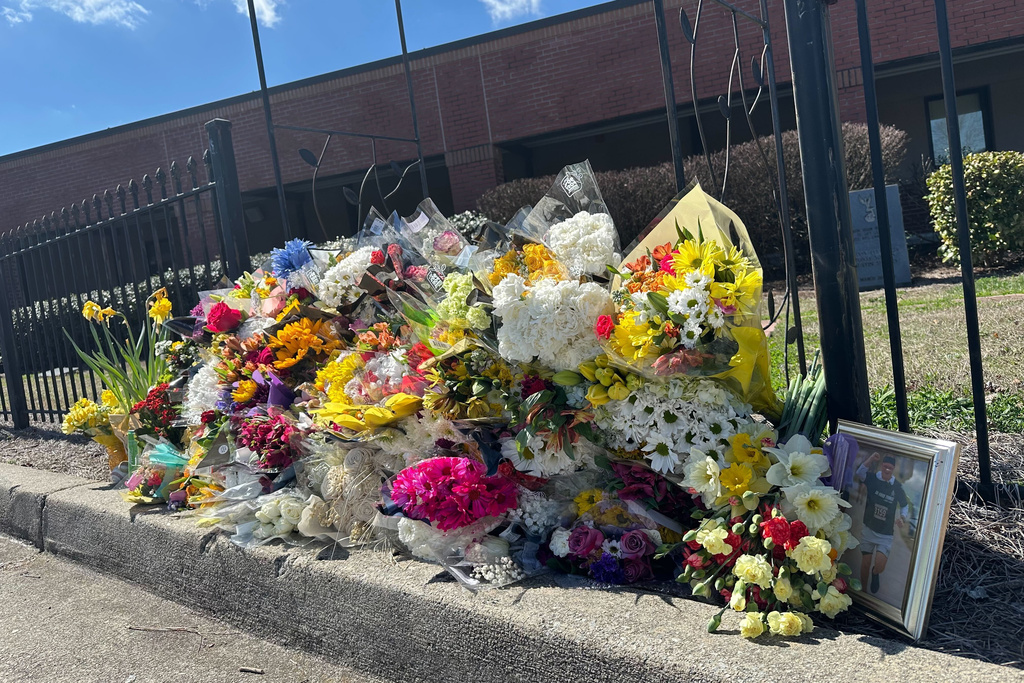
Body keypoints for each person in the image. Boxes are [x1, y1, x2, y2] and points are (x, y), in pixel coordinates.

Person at [856, 452, 909, 594]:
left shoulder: (896, 487)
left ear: (893, 470)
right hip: (869, 528)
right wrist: (871, 459)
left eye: (890, 468)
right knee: (865, 563)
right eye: (885, 466)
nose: (887, 470)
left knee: (879, 565)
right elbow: (860, 473)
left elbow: (904, 505)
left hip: (885, 533)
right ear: (881, 466)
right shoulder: (873, 479)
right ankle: (863, 592)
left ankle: (875, 573)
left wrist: (902, 518)